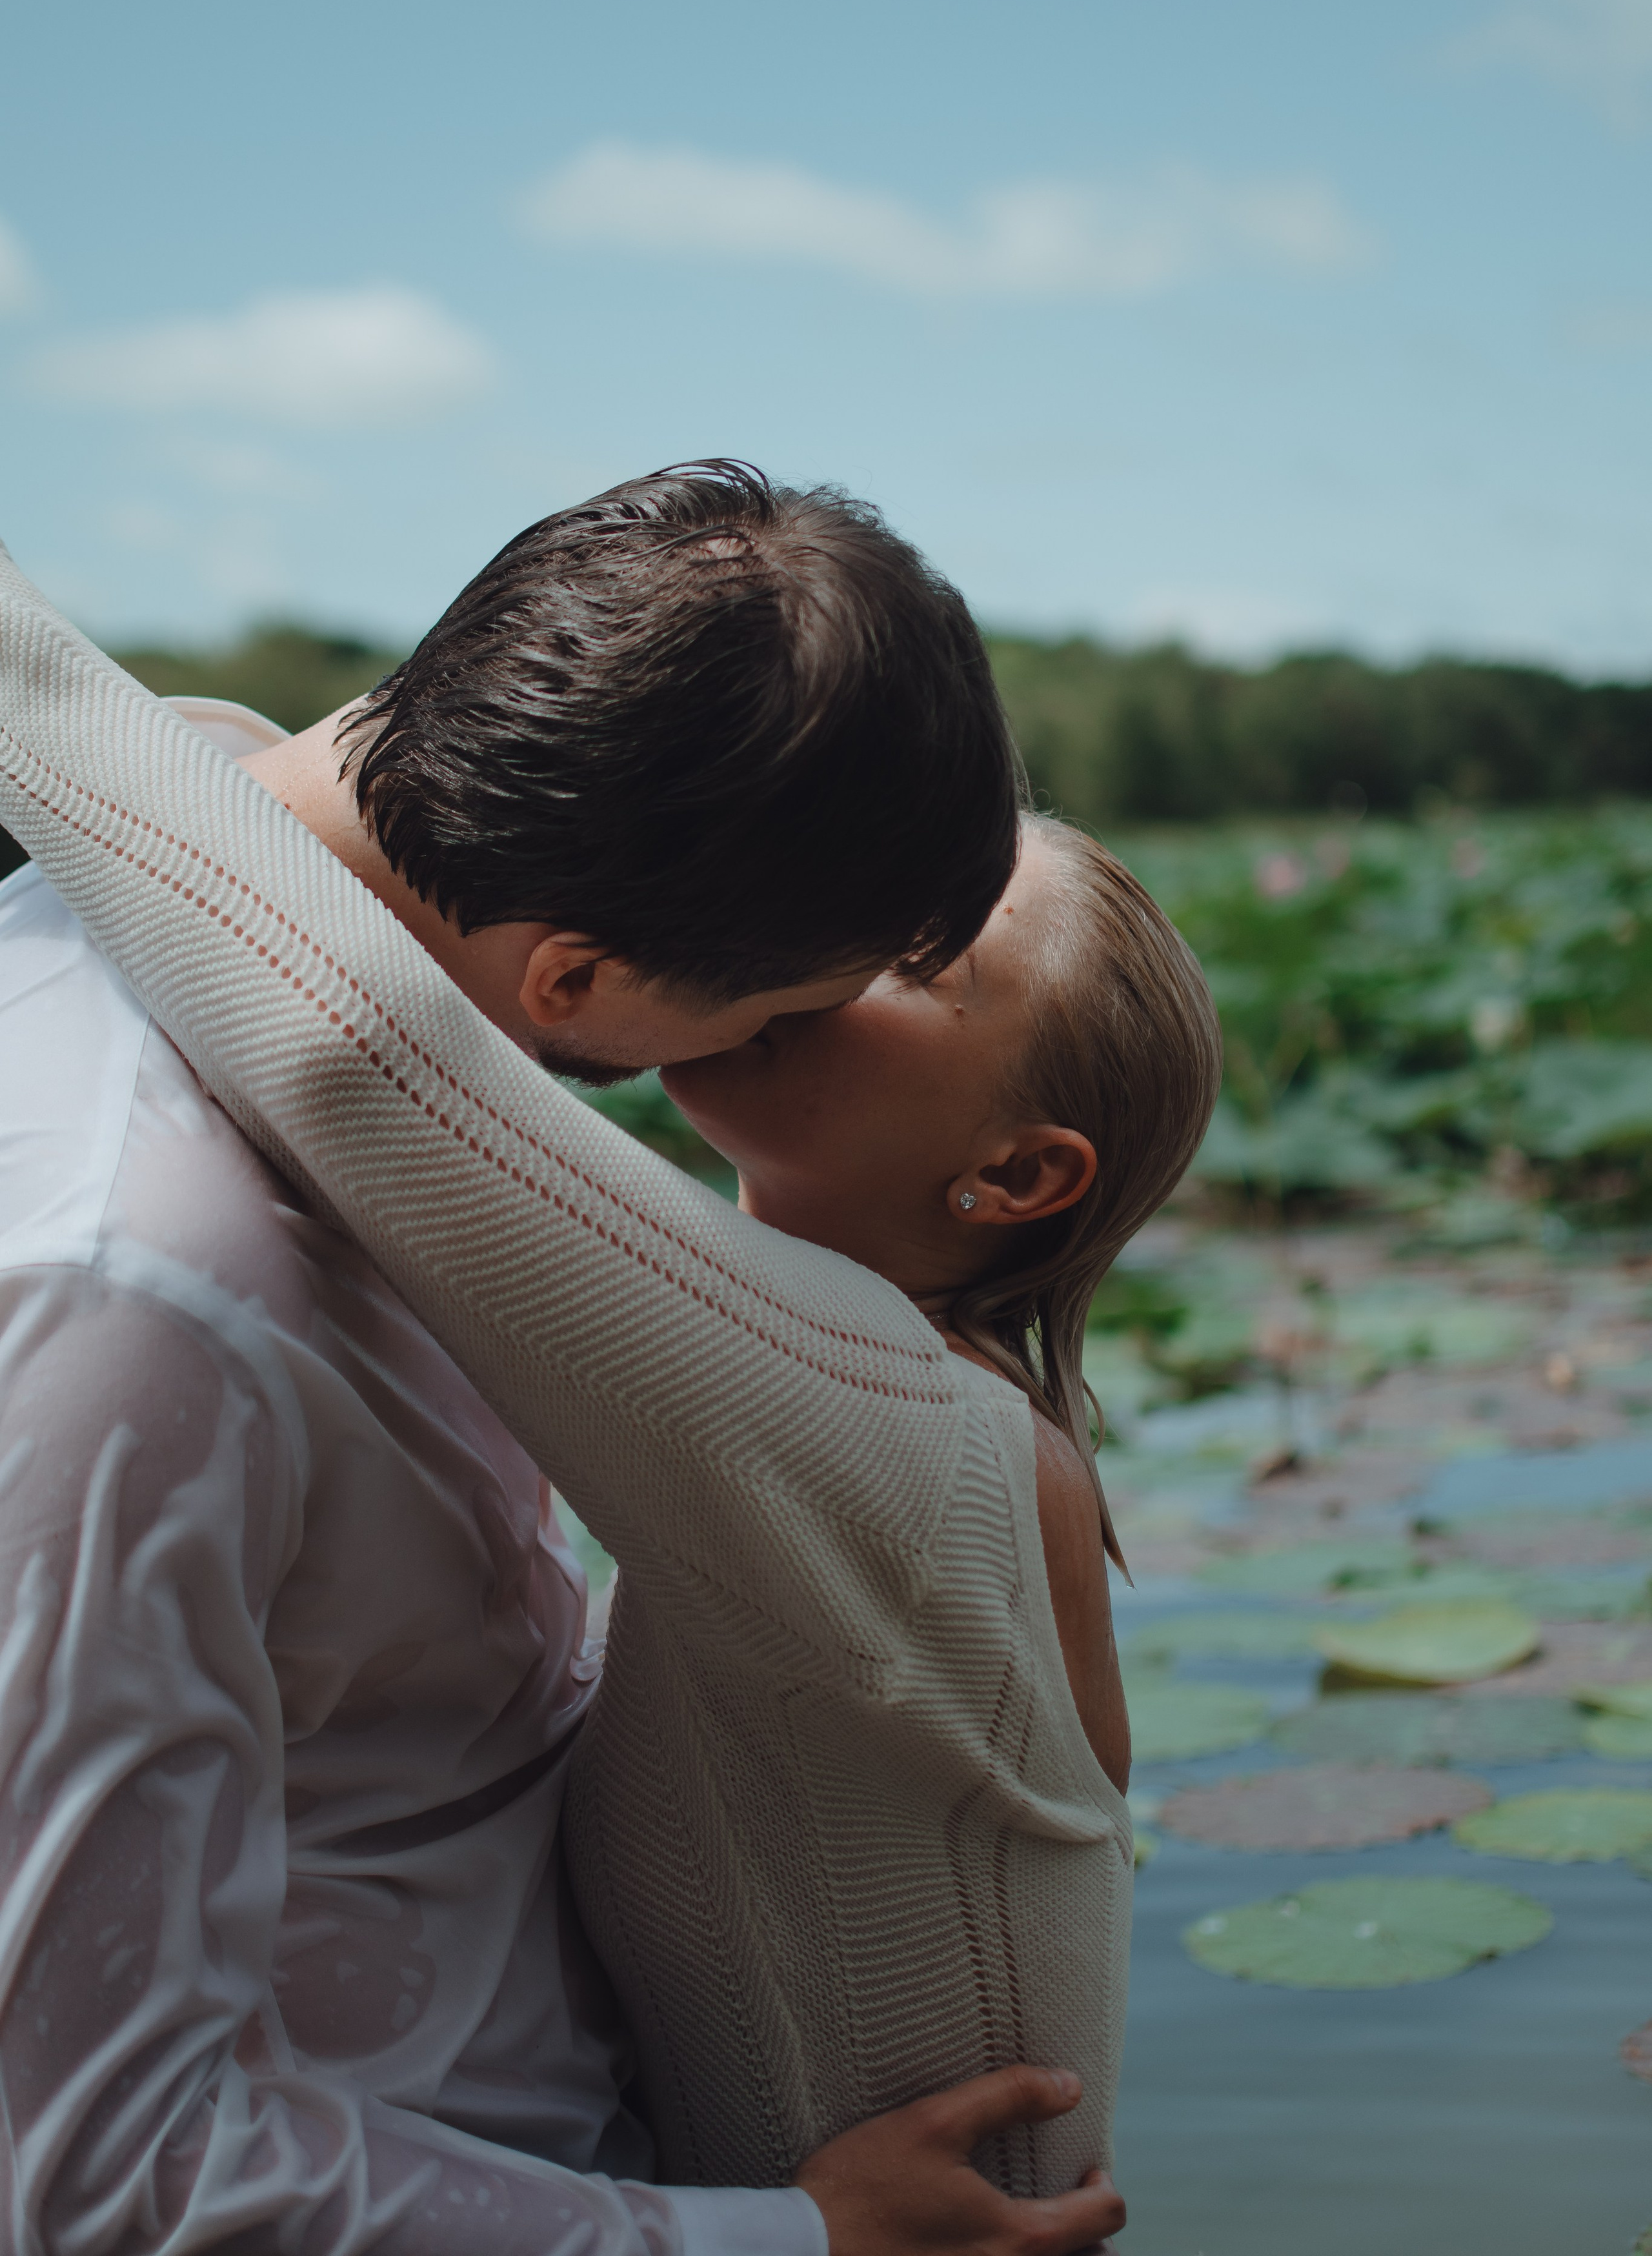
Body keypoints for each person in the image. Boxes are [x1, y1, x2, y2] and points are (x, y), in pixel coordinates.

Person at [2, 496, 1225, 2247]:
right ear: (582, 975)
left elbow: (366, 1054)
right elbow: (97, 2168)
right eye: (807, 987)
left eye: (902, 979)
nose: (799, 1017)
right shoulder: (143, 1289)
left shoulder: (916, 1432)